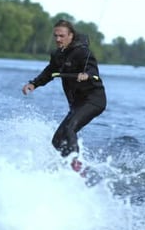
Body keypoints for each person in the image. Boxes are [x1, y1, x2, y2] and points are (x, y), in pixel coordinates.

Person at [22, 19, 106, 174]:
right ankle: (77, 169)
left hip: (93, 100)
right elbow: (49, 73)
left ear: (71, 36)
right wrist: (33, 84)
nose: (58, 39)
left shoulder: (83, 52)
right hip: (77, 103)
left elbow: (93, 70)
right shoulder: (57, 55)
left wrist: (86, 74)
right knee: (57, 141)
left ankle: (76, 164)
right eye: (55, 36)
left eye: (61, 36)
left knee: (70, 128)